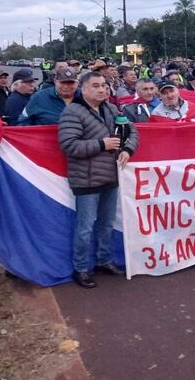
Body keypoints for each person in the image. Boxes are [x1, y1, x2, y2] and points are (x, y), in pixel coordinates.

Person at [58, 72, 139, 289]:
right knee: (85, 228)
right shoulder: (72, 112)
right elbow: (69, 146)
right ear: (83, 89)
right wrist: (102, 144)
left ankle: (104, 260)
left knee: (106, 224)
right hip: (86, 180)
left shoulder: (111, 109)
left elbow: (132, 131)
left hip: (110, 177)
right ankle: (81, 268)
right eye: (96, 86)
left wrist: (128, 150)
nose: (102, 89)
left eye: (104, 85)